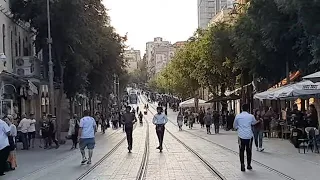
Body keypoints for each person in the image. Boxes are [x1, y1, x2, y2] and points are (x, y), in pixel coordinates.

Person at [234, 104, 260, 172]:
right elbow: (254, 123)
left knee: (241, 150)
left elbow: (235, 126)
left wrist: (238, 128)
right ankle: (249, 164)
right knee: (249, 150)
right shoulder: (251, 116)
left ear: (242, 109)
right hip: (249, 136)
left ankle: (242, 164)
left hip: (241, 135)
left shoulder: (238, 116)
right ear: (248, 109)